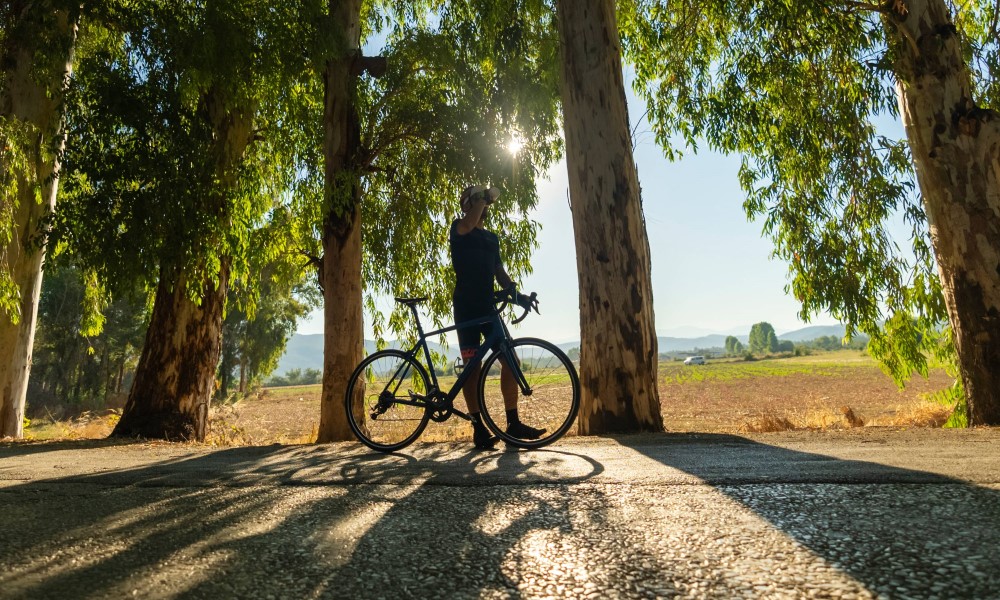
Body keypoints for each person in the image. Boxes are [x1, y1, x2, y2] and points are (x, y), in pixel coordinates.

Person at [450, 184, 544, 450]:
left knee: (510, 361)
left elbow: (500, 274)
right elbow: (469, 224)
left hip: (487, 308)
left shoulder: (491, 239)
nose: (484, 205)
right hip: (466, 307)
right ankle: (478, 428)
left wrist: (519, 296)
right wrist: (482, 198)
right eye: (477, 200)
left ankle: (513, 424)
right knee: (473, 368)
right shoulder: (459, 228)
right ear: (468, 204)